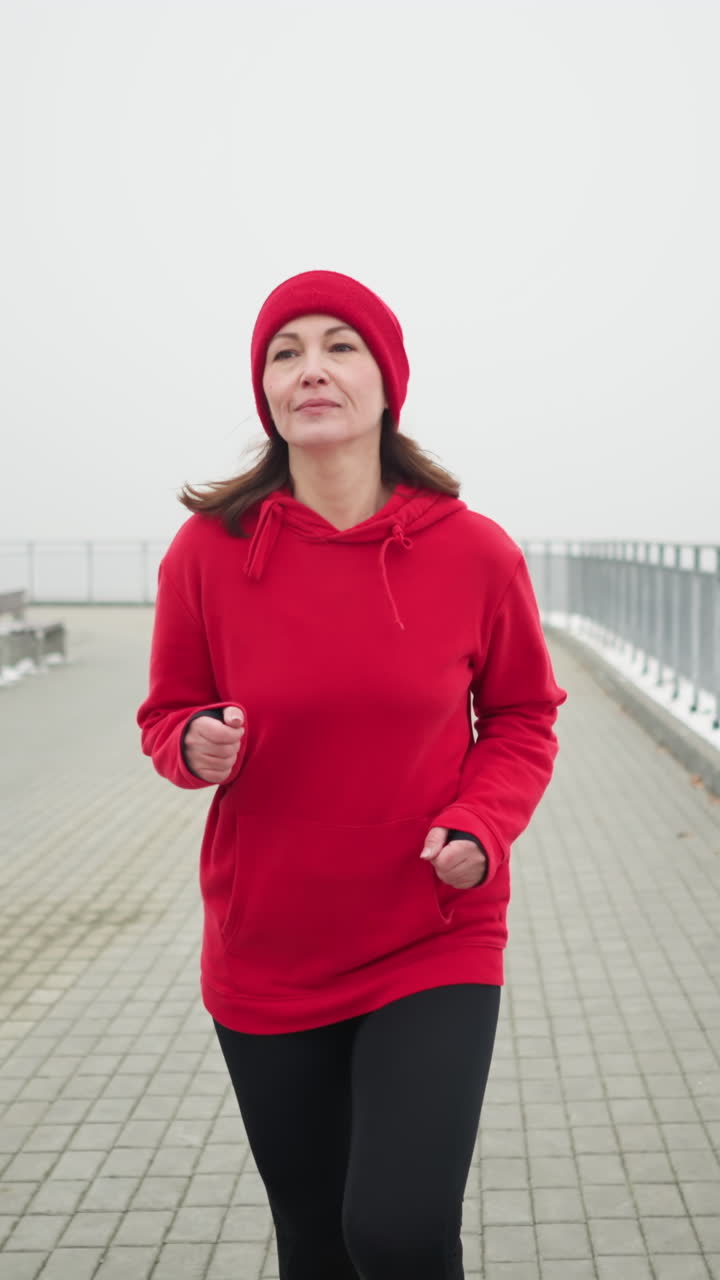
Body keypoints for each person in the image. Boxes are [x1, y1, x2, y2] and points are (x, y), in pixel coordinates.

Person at [137, 269, 567, 1279]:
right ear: (268, 394)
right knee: (319, 1243)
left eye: (340, 346)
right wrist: (194, 737)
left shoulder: (474, 552)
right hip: (267, 948)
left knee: (400, 1232)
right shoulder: (205, 554)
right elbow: (166, 714)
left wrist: (481, 820)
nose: (311, 369)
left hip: (433, 932)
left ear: (386, 383)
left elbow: (523, 714)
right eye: (286, 352)